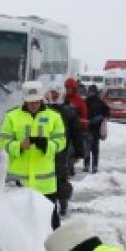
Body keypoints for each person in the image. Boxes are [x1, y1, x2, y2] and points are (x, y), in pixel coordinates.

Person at [0, 81, 67, 228]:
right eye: (30, 102)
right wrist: (19, 146)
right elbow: (3, 143)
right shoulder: (12, 116)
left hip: (45, 185)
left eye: (36, 101)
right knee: (17, 225)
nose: (33, 105)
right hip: (18, 184)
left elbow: (61, 142)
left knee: (49, 225)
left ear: (41, 99)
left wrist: (47, 145)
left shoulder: (54, 117)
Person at [46, 86, 81, 217]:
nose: (54, 96)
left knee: (61, 179)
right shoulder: (43, 110)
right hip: (45, 151)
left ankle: (63, 203)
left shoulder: (69, 111)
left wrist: (79, 152)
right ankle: (48, 204)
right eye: (52, 93)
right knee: (46, 179)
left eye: (56, 94)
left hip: (63, 151)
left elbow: (76, 133)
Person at [63, 78, 89, 174]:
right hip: (63, 129)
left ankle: (69, 168)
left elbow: (84, 116)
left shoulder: (79, 101)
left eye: (70, 88)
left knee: (71, 150)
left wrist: (80, 123)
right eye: (66, 88)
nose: (68, 90)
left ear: (74, 89)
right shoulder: (62, 99)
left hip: (74, 130)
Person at [84, 85, 110, 173]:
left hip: (94, 128)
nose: (90, 93)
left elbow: (107, 112)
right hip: (89, 127)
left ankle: (93, 165)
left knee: (93, 147)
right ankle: (88, 165)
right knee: (88, 147)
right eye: (89, 91)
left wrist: (100, 118)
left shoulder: (99, 102)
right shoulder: (86, 101)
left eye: (92, 91)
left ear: (95, 92)